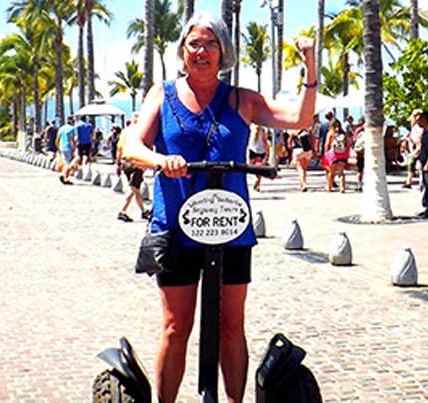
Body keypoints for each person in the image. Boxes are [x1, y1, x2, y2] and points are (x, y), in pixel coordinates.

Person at [119, 12, 317, 402]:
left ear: (223, 51)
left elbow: (300, 118)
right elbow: (132, 145)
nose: (202, 51)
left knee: (230, 324)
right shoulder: (162, 94)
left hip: (229, 228)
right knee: (176, 326)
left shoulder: (242, 100)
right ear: (182, 50)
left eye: (210, 43)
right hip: (175, 228)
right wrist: (161, 161)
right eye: (194, 43)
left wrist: (310, 65)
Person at [114, 138, 152, 222]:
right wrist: (145, 165)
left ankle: (143, 211)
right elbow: (146, 151)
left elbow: (119, 149)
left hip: (126, 163)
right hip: (136, 164)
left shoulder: (126, 136)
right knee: (133, 189)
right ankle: (122, 211)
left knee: (136, 190)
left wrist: (118, 164)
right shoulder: (141, 135)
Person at [323, 121, 351, 192]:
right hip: (342, 154)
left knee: (331, 173)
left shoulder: (330, 133)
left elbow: (327, 144)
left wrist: (325, 154)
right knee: (341, 172)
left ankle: (329, 187)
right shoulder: (343, 133)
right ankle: (342, 188)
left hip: (333, 155)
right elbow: (348, 144)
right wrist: (347, 154)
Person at [291, 128, 316, 192]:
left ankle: (303, 184)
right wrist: (314, 150)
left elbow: (289, 141)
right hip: (307, 150)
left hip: (298, 150)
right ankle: (302, 184)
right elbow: (313, 140)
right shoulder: (309, 129)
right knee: (304, 169)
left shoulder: (294, 130)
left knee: (300, 169)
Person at [247, 123, 269, 191]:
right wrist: (267, 151)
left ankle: (255, 178)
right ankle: (258, 185)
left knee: (252, 167)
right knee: (259, 168)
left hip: (252, 149)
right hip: (261, 151)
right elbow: (265, 141)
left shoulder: (251, 128)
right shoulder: (263, 130)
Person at [57, 117, 78, 184]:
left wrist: (58, 148)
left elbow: (57, 139)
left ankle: (66, 178)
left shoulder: (61, 128)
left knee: (66, 162)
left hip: (62, 147)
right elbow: (72, 139)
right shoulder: (72, 128)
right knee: (68, 163)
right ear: (71, 121)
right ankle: (63, 175)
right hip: (68, 147)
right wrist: (74, 148)